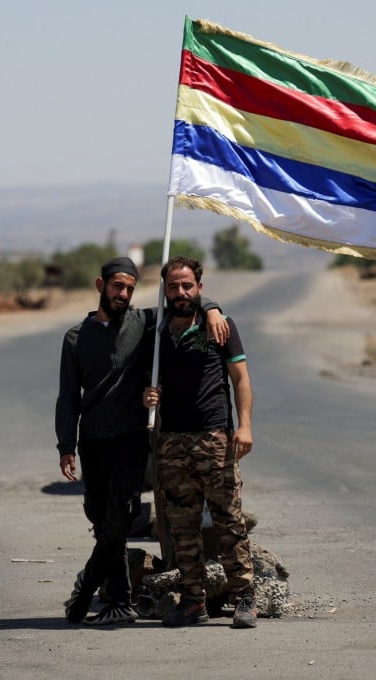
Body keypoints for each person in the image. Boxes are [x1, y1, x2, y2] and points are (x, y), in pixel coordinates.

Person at [55, 256, 228, 626]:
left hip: (131, 440)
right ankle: (119, 601)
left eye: (130, 289)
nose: (123, 294)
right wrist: (66, 445)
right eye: (117, 286)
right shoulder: (75, 338)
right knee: (102, 521)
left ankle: (86, 588)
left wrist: (212, 308)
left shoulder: (144, 322)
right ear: (100, 286)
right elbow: (67, 396)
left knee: (121, 516)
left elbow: (185, 299)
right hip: (93, 441)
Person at [143, 255, 257, 629]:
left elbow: (240, 378)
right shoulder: (156, 336)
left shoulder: (219, 327)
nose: (180, 292)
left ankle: (244, 598)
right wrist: (149, 396)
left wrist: (244, 426)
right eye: (173, 286)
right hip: (172, 442)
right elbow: (147, 383)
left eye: (187, 285)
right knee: (182, 526)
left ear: (200, 288)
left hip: (215, 439)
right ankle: (194, 601)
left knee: (229, 523)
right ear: (165, 290)